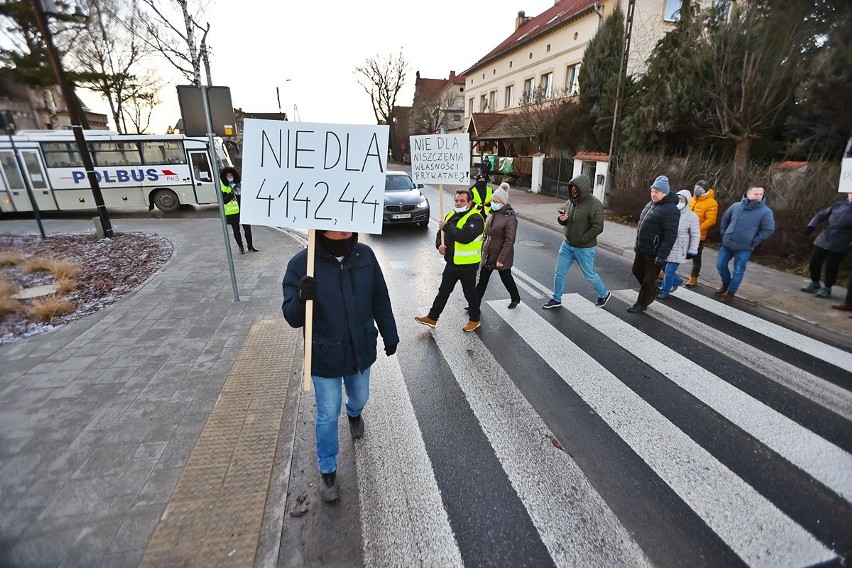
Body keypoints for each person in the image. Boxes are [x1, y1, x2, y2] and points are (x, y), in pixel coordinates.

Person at [282, 230, 399, 503]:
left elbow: (380, 298)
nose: (345, 226)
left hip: (360, 348)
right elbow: (291, 317)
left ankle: (355, 413)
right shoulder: (302, 264)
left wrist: (389, 333)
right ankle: (328, 469)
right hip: (324, 355)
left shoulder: (365, 255)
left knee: (360, 396)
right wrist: (301, 298)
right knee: (327, 413)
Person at [415, 188, 485, 332]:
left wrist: (446, 226)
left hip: (468, 264)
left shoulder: (476, 218)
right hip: (452, 262)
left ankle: (475, 319)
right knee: (443, 291)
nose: (458, 203)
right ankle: (432, 317)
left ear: (469, 202)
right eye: (456, 200)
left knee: (470, 293)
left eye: (462, 201)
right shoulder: (452, 214)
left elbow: (464, 237)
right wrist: (439, 245)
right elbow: (440, 234)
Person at [542, 174, 611, 309]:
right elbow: (565, 219)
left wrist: (582, 239)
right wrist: (562, 219)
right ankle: (556, 298)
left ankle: (604, 294)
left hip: (584, 248)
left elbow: (598, 227)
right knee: (559, 272)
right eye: (571, 189)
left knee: (589, 274)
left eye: (576, 190)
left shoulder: (594, 204)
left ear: (583, 189)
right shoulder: (570, 203)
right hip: (567, 244)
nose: (573, 192)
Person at [715, 185, 776, 304]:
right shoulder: (736, 206)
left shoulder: (766, 212)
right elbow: (725, 219)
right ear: (748, 194)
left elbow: (768, 229)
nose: (758, 196)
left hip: (744, 247)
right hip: (728, 243)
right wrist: (724, 233)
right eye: (755, 193)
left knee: (738, 270)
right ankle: (726, 283)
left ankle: (731, 292)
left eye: (760, 194)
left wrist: (754, 241)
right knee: (720, 265)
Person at [628, 175, 680, 313]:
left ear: (665, 193)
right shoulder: (650, 204)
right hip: (642, 247)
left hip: (655, 251)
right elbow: (641, 226)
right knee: (636, 270)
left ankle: (641, 303)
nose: (653, 194)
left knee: (648, 280)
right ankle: (654, 290)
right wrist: (637, 244)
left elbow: (670, 235)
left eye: (657, 192)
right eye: (652, 191)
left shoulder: (671, 210)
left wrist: (662, 255)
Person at [475, 182, 521, 309]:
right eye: (493, 200)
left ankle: (515, 298)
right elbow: (487, 234)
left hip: (501, 255)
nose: (493, 203)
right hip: (489, 253)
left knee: (506, 278)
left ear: (503, 203)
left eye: (496, 201)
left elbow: (509, 241)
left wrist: (501, 259)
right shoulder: (492, 214)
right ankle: (474, 304)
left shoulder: (510, 218)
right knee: (482, 280)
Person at [800, 192, 852, 298]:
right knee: (814, 262)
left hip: (841, 241)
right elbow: (820, 215)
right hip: (824, 238)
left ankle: (827, 288)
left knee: (831, 266)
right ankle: (815, 283)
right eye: (851, 192)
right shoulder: (838, 205)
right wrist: (811, 227)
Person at [657, 190, 700, 299]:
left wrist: (692, 251)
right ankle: (676, 280)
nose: (679, 202)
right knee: (663, 266)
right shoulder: (670, 212)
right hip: (667, 246)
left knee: (669, 270)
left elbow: (695, 235)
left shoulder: (692, 217)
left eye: (682, 200)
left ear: (687, 202)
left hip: (679, 249)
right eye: (678, 200)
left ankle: (664, 290)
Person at [685, 180, 718, 287]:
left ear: (706, 190)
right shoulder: (691, 199)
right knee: (674, 251)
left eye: (700, 188)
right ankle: (664, 272)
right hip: (684, 232)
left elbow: (711, 220)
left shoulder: (711, 202)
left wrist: (696, 229)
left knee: (696, 256)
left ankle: (694, 277)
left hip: (698, 235)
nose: (697, 189)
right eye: (696, 187)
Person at [220, 167, 258, 254]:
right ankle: (240, 247)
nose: (230, 177)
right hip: (232, 213)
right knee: (236, 232)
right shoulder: (223, 187)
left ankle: (250, 245)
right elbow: (224, 201)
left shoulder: (239, 184)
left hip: (243, 211)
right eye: (228, 176)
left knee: (248, 230)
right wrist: (231, 193)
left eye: (231, 175)